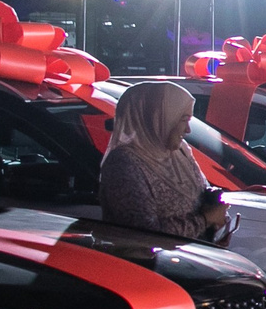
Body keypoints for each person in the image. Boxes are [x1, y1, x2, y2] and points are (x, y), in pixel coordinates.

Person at [98, 81, 229, 241]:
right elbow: (143, 233)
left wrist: (217, 221)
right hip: (149, 263)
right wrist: (205, 220)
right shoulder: (123, 164)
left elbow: (201, 192)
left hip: (191, 260)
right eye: (183, 120)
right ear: (158, 118)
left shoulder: (180, 152)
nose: (188, 130)